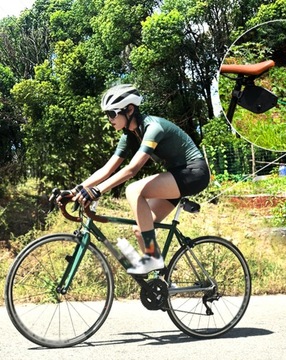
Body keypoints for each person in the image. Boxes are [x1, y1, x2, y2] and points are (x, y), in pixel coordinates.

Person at [58, 84, 210, 275]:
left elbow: (132, 169)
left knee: (133, 189)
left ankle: (152, 258)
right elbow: (107, 169)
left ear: (129, 109)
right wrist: (74, 191)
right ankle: (163, 282)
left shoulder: (153, 127)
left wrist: (97, 191)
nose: (109, 119)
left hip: (194, 172)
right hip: (177, 177)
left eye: (112, 114)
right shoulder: (129, 136)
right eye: (107, 115)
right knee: (141, 230)